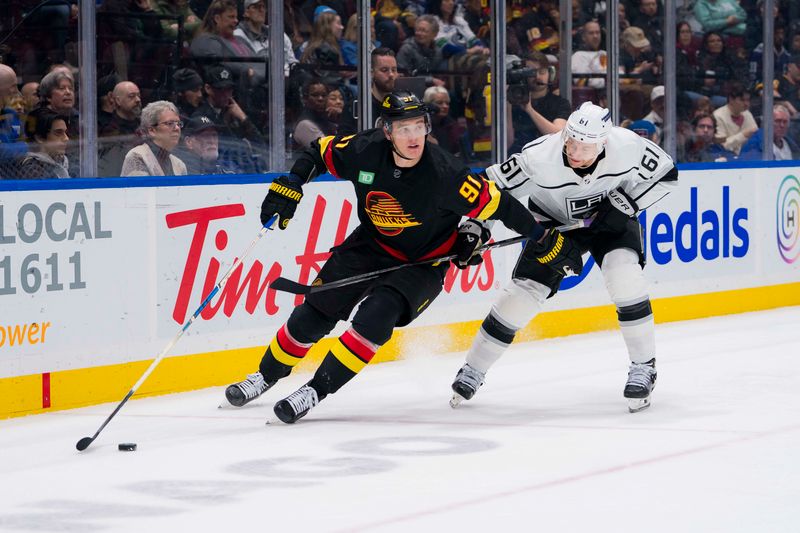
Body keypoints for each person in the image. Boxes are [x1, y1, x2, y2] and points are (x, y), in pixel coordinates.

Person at [224, 90, 574, 423]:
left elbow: (501, 204)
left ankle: (314, 391)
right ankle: (265, 376)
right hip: (370, 245)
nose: (413, 136)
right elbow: (318, 150)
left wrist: (541, 237)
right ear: (387, 131)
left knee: (375, 318)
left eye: (419, 127)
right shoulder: (363, 150)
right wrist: (294, 182)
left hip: (423, 263)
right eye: (404, 128)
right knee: (313, 314)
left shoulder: (446, 174)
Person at [449, 101, 679, 413]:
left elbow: (666, 173)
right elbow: (491, 189)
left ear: (603, 143)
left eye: (585, 146)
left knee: (624, 276)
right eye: (571, 141)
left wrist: (626, 203)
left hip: (611, 221)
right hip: (553, 228)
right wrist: (474, 228)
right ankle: (473, 370)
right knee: (521, 296)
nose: (574, 151)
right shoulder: (537, 156)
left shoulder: (628, 145)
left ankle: (643, 367)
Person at [508, 51, 572, 156]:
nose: (537, 77)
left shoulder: (560, 103)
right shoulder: (513, 102)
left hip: (546, 157)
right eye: (532, 72)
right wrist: (507, 104)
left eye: (542, 72)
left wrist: (529, 110)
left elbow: (558, 135)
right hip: (517, 157)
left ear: (550, 74)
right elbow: (506, 141)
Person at [121, 101, 187, 176]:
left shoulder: (179, 165)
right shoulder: (137, 156)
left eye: (178, 124)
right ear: (152, 130)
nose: (177, 128)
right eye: (170, 123)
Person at [16, 108, 70, 179]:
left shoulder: (64, 162)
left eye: (65, 132)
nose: (66, 138)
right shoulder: (32, 170)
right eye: (58, 133)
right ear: (39, 137)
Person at [712, 82, 758, 155]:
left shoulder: (747, 113)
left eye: (748, 100)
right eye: (742, 100)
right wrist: (743, 135)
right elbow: (721, 146)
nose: (747, 104)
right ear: (731, 99)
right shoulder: (718, 116)